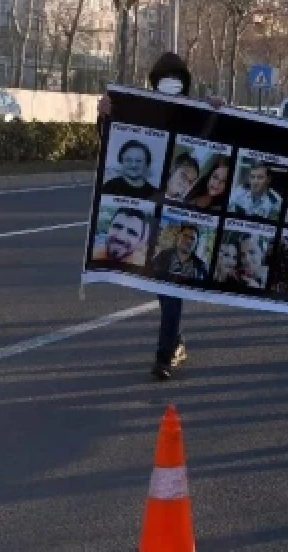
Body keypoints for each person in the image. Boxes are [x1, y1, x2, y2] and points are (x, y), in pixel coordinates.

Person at [97, 51, 220, 381]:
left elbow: (217, 136)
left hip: (179, 219)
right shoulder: (140, 112)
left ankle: (165, 354)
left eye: (177, 83)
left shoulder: (195, 114)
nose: (171, 88)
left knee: (170, 283)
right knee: (159, 281)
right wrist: (104, 116)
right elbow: (114, 142)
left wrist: (217, 112)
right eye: (165, 82)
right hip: (147, 212)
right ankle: (174, 341)